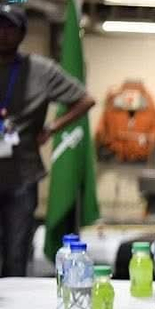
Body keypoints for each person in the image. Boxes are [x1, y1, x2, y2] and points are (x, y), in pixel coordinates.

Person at [0, 5, 95, 277]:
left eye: (10, 27)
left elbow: (86, 99)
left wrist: (52, 128)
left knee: (16, 255)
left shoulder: (40, 69)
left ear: (21, 33)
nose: (3, 33)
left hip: (22, 176)